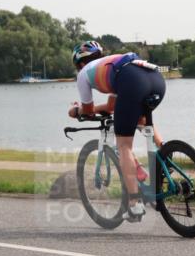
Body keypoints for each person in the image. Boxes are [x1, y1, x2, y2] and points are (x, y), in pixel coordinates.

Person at [67, 40, 166, 222]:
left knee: (124, 145)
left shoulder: (83, 74)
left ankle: (134, 204)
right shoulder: (110, 63)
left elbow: (88, 111)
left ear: (79, 63)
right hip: (155, 78)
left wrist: (75, 111)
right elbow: (112, 106)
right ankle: (165, 152)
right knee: (141, 119)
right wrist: (94, 109)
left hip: (132, 82)